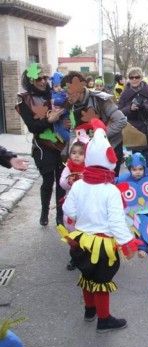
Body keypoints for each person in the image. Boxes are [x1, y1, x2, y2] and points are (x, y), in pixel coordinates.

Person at [61, 118, 142, 333]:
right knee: (101, 282)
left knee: (86, 276)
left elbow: (68, 211)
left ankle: (89, 311)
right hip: (103, 246)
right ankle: (104, 319)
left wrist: (75, 229)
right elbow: (116, 222)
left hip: (81, 241)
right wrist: (128, 243)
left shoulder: (78, 185)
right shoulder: (110, 190)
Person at [16, 63, 66, 226]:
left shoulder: (55, 94)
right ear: (31, 80)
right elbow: (32, 127)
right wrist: (48, 120)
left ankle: (60, 215)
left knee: (61, 181)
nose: (43, 81)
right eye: (39, 78)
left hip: (62, 144)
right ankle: (45, 212)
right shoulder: (25, 100)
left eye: (45, 77)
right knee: (48, 180)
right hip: (43, 145)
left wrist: (66, 123)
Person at [64, 71, 127, 176]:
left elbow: (121, 121)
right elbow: (75, 131)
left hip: (110, 148)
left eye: (68, 92)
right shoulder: (70, 105)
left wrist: (99, 136)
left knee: (108, 185)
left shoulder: (100, 99)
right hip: (89, 152)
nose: (66, 96)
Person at [118, 67, 148, 167]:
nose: (134, 79)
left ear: (141, 78)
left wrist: (143, 107)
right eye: (131, 77)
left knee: (147, 156)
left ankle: (147, 178)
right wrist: (130, 108)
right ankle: (137, 178)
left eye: (137, 77)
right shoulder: (125, 93)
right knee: (136, 156)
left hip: (147, 127)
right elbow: (120, 111)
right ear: (128, 78)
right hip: (133, 129)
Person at [59, 140, 86, 271]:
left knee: (85, 232)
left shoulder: (89, 169)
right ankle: (74, 257)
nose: (76, 156)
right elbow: (62, 184)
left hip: (85, 206)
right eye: (74, 153)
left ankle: (86, 255)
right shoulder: (67, 168)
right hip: (71, 204)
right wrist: (69, 181)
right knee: (73, 233)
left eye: (81, 153)